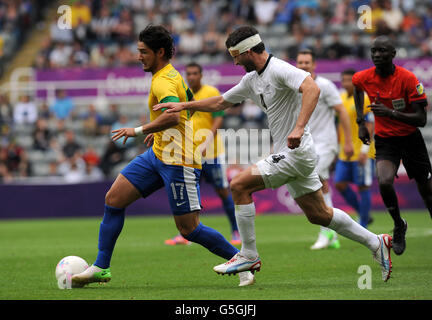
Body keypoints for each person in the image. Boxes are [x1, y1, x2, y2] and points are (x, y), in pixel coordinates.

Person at [154, 25, 393, 283]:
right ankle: (376, 242)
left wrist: (299, 127)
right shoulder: (251, 79)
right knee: (319, 214)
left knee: (239, 185)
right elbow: (221, 102)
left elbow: (312, 88)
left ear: (248, 51)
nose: (234, 61)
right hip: (293, 153)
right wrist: (183, 105)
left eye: (236, 55)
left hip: (296, 152)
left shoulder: (279, 68)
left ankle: (248, 254)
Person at [71, 25, 254, 288]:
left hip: (180, 162)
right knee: (113, 199)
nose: (139, 56)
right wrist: (162, 134)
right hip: (157, 154)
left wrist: (138, 130)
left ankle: (241, 260)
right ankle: (101, 267)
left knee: (189, 230)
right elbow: (186, 109)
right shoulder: (171, 75)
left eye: (143, 52)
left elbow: (175, 114)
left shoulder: (163, 80)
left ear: (159, 52)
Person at [353, 36, 432, 256]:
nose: (377, 55)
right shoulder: (364, 77)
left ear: (393, 54)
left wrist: (391, 113)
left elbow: (421, 119)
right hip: (386, 141)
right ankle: (399, 225)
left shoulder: (407, 79)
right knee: (385, 182)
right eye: (374, 51)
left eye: (383, 51)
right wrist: (361, 122)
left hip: (411, 140)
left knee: (427, 192)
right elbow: (357, 88)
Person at [165, 62, 241, 246]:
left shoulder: (211, 92)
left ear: (201, 75)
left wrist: (206, 141)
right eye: (188, 73)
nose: (191, 77)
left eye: (194, 73)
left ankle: (236, 231)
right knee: (189, 196)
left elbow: (218, 119)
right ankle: (186, 235)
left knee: (223, 191)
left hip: (212, 153)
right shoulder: (182, 95)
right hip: (189, 155)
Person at [295, 49, 354, 250]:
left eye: (307, 62)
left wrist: (347, 142)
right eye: (300, 62)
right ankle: (332, 231)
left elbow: (342, 113)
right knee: (319, 182)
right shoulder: (295, 86)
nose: (303, 65)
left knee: (316, 177)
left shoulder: (326, 86)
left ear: (314, 65)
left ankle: (326, 231)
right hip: (307, 143)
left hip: (326, 143)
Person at [335, 69, 375, 229]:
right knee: (339, 184)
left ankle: (363, 224)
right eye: (343, 80)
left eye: (349, 80)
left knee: (363, 186)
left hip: (361, 152)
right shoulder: (341, 98)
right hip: (345, 152)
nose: (346, 83)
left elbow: (370, 125)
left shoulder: (364, 98)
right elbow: (339, 124)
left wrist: (365, 150)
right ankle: (363, 213)